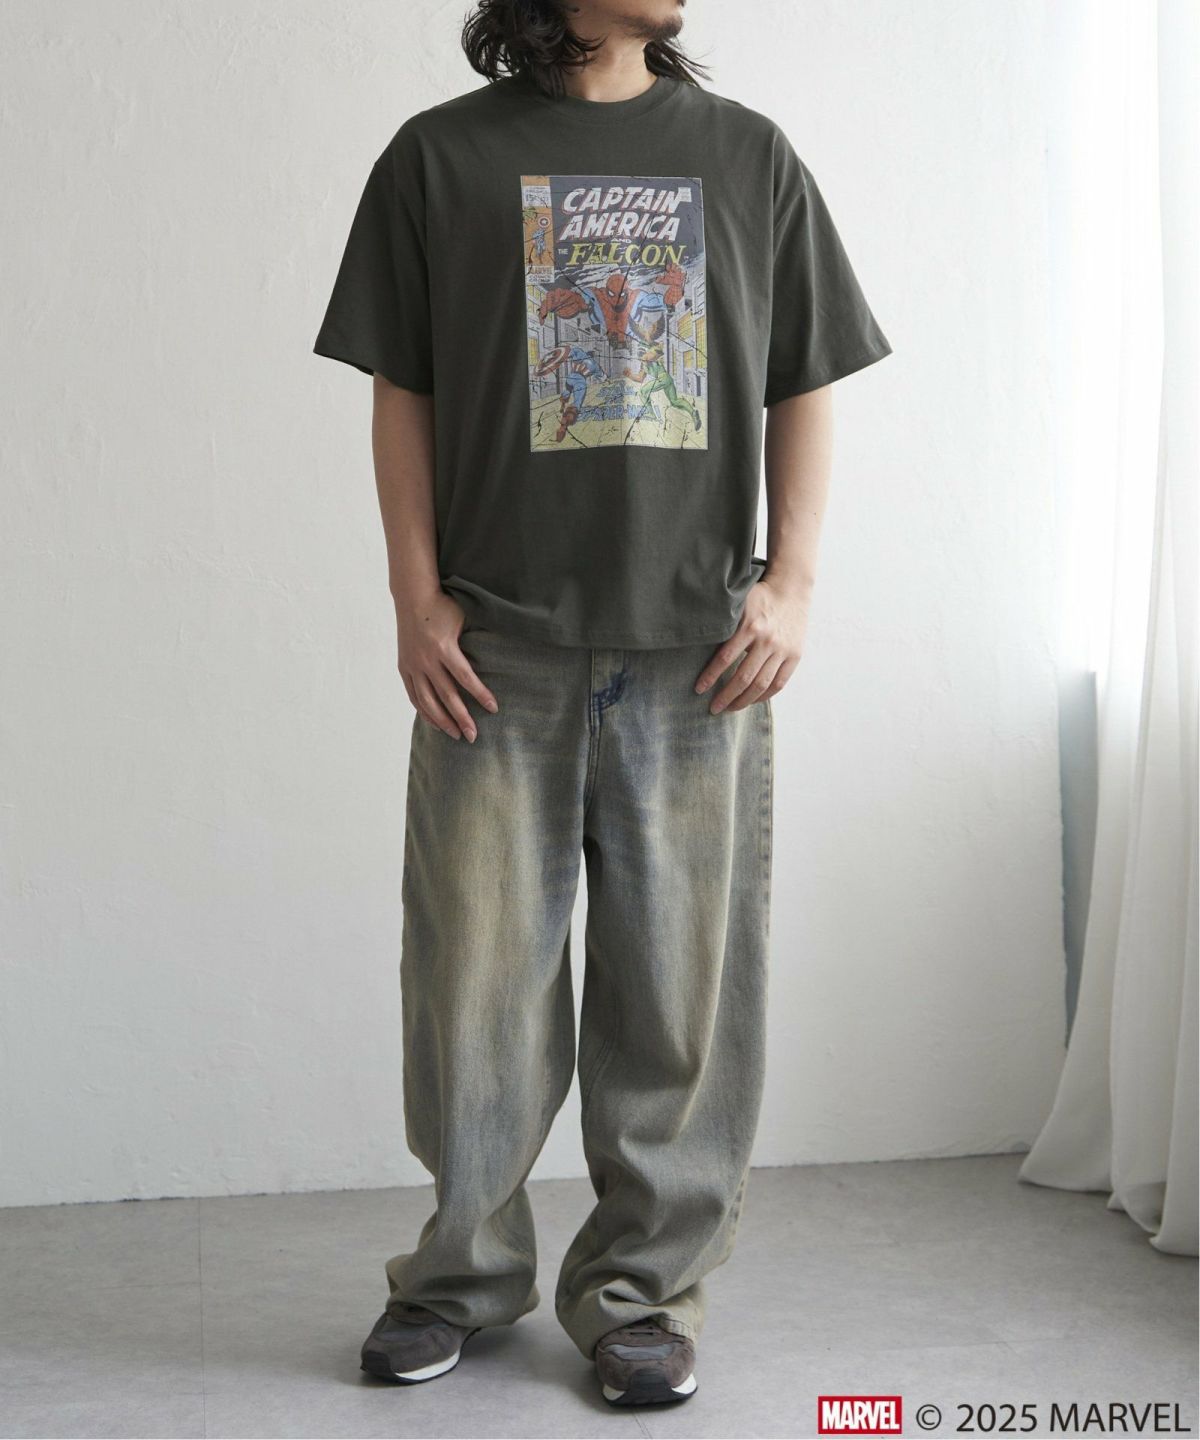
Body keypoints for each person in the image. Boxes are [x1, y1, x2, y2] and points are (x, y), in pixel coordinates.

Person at [313, 0, 891, 1408]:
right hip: (495, 649)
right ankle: (459, 1277)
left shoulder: (748, 157)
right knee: (473, 989)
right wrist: (414, 597)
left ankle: (643, 1294)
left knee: (678, 997)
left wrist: (793, 585)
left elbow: (806, 376)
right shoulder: (438, 160)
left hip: (699, 654)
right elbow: (403, 390)